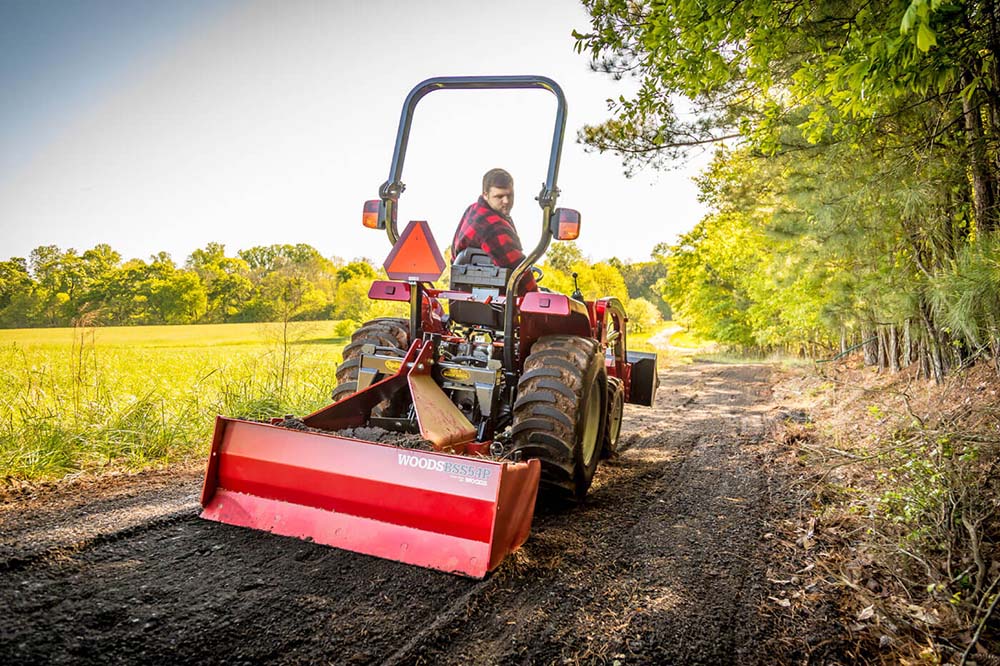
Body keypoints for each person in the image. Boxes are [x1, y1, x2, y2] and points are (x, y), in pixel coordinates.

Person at [452, 168, 537, 293]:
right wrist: (536, 300)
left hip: (463, 293)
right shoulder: (493, 226)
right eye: (499, 196)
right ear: (485, 195)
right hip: (490, 299)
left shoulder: (473, 210)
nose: (506, 201)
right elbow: (518, 271)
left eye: (510, 195)